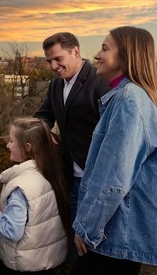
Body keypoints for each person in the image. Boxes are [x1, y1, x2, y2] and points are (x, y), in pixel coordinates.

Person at [61, 26, 157, 275]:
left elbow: (112, 179)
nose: (96, 55)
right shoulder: (133, 98)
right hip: (126, 229)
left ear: (126, 56)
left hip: (115, 229)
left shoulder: (128, 101)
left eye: (105, 48)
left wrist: (86, 228)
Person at [34, 32, 110, 258]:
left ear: (76, 52)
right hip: (72, 178)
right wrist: (43, 130)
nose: (53, 66)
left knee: (97, 244)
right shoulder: (55, 87)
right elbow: (43, 115)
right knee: (76, 244)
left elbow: (112, 132)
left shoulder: (99, 80)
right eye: (49, 61)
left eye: (58, 59)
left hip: (97, 179)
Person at [0, 117, 70, 275]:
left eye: (11, 141)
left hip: (30, 263)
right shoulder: (49, 172)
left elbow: (13, 231)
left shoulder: (20, 187)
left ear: (28, 146)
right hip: (45, 258)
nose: (8, 146)